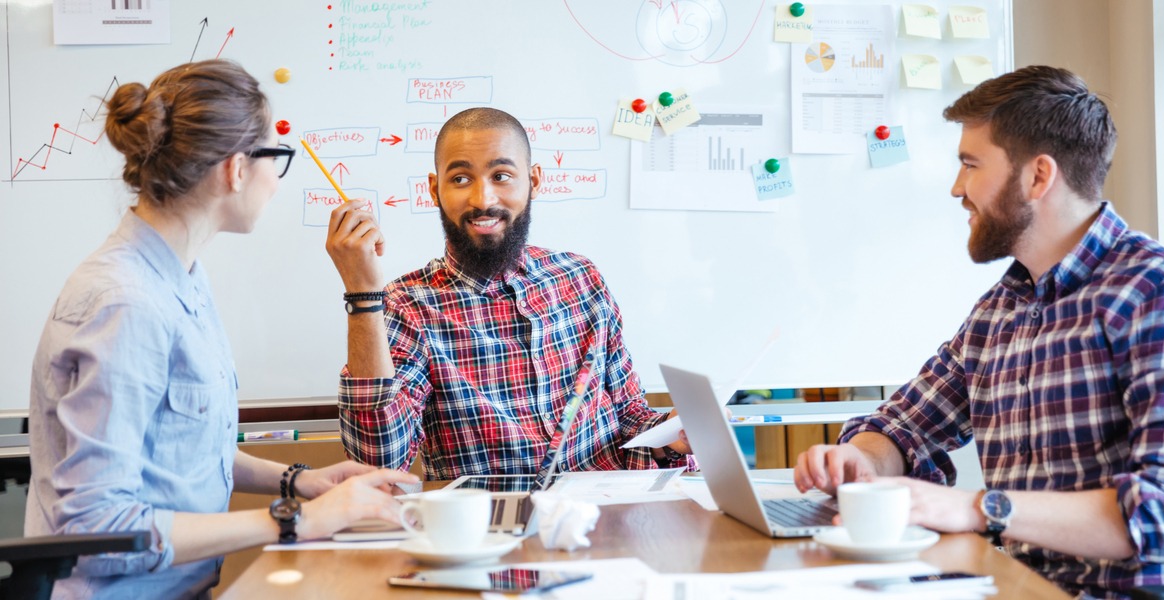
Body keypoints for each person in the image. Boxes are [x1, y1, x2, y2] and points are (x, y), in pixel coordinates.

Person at [793, 65, 1164, 598]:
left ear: (1038, 177)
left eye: (970, 165)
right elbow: (903, 425)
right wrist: (863, 459)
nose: (956, 188)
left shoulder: (1159, 288)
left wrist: (979, 507)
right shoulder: (998, 311)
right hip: (1010, 585)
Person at [24, 59, 416, 599]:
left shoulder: (180, 275)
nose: (275, 183)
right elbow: (95, 530)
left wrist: (299, 481)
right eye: (276, 159)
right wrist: (295, 519)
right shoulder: (126, 303)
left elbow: (179, 447)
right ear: (235, 170)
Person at [325, 107, 692, 479]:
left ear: (533, 180)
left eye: (501, 176)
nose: (483, 199)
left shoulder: (581, 278)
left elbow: (629, 416)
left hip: (606, 507)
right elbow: (379, 466)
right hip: (491, 515)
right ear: (435, 190)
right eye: (461, 179)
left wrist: (673, 434)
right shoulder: (406, 306)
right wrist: (363, 295)